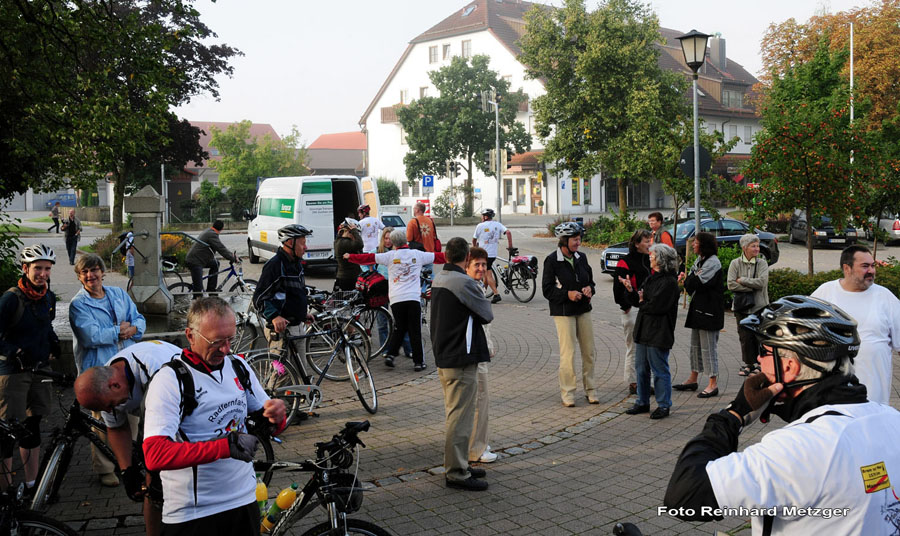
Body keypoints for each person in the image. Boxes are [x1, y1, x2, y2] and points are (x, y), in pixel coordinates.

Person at [664, 295, 900, 535]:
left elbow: (685, 499)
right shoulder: (892, 420)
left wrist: (733, 415)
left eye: (764, 351)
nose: (757, 359)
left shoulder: (801, 447)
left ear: (789, 367)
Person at [142, 297, 287, 535]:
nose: (226, 349)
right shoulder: (170, 380)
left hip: (244, 499)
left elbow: (266, 425)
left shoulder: (238, 366)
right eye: (217, 341)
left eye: (231, 339)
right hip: (194, 512)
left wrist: (277, 416)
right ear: (190, 335)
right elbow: (155, 455)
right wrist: (225, 446)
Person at [74, 340, 181, 536]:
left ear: (114, 384)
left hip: (186, 404)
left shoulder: (156, 369)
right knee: (152, 487)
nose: (108, 411)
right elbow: (116, 427)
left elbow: (179, 424)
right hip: (153, 410)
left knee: (173, 477)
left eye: (108, 405)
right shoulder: (107, 384)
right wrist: (127, 471)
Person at [69, 253, 146, 487]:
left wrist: (133, 329)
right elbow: (90, 336)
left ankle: (129, 463)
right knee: (103, 421)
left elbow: (139, 319)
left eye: (95, 270)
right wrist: (119, 331)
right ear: (80, 277)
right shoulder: (78, 304)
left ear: (103, 272)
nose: (91, 275)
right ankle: (105, 468)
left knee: (131, 419)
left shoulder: (119, 294)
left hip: (126, 367)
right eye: (85, 272)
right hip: (99, 369)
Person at [431, 237, 493, 491]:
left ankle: (460, 465)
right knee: (460, 418)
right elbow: (487, 313)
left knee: (456, 414)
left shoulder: (439, 278)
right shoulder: (463, 282)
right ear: (466, 257)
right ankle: (456, 472)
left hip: (446, 354)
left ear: (446, 255)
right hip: (460, 357)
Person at [0, 245, 60, 492]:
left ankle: (32, 484)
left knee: (32, 427)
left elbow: (46, 327)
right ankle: (5, 489)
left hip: (38, 371)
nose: (43, 274)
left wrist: (53, 345)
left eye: (47, 269)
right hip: (12, 373)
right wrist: (14, 351)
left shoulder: (48, 296)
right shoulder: (10, 299)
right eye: (38, 268)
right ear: (25, 269)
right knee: (6, 432)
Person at [344, 229, 445, 372]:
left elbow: (368, 258)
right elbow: (439, 257)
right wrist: (461, 256)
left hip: (397, 299)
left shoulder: (389, 256)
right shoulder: (418, 255)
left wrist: (350, 257)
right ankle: (418, 362)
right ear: (406, 241)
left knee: (400, 327)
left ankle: (391, 354)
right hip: (413, 298)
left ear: (393, 242)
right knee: (414, 330)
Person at [811, 244, 900, 405]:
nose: (872, 271)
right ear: (847, 268)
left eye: (873, 266)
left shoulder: (885, 297)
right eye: (865, 266)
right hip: (832, 400)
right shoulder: (825, 294)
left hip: (874, 401)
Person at [620, 243, 680, 419]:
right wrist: (631, 291)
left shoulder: (669, 282)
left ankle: (664, 405)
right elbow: (640, 301)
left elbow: (655, 306)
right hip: (644, 330)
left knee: (659, 370)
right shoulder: (652, 278)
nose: (650, 257)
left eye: (652, 255)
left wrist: (642, 301)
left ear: (661, 259)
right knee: (641, 368)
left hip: (659, 332)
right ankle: (642, 401)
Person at [542, 222, 598, 407]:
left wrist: (590, 288)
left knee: (589, 352)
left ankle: (591, 389)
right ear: (564, 241)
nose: (578, 242)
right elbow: (547, 290)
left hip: (583, 310)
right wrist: (567, 294)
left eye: (579, 238)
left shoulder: (581, 257)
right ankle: (568, 392)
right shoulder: (552, 261)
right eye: (575, 239)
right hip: (564, 312)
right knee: (569, 353)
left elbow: (591, 281)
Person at [253, 224, 314, 375]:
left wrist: (302, 313)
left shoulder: (296, 263)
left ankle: (297, 399)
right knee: (280, 374)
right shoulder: (275, 265)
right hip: (281, 331)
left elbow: (294, 293)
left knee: (301, 373)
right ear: (290, 243)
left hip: (297, 326)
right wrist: (274, 316)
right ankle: (271, 397)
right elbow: (259, 298)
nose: (306, 247)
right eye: (303, 242)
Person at [674, 232, 724, 398]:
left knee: (708, 348)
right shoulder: (700, 260)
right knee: (695, 346)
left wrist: (691, 278)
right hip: (698, 310)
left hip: (710, 312)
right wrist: (691, 278)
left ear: (704, 245)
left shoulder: (713, 263)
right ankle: (693, 378)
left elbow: (693, 283)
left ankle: (712, 384)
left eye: (696, 242)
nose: (693, 245)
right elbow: (690, 281)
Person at [465, 247, 498, 464]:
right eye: (476, 264)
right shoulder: (468, 288)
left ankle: (479, 441)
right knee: (480, 400)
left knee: (479, 400)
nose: (481, 268)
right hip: (474, 354)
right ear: (466, 266)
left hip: (480, 350)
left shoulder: (475, 285)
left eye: (484, 265)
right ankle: (477, 449)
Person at [613, 229, 652, 395]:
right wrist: (626, 305)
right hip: (633, 311)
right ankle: (634, 382)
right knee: (634, 348)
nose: (650, 243)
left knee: (648, 349)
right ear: (636, 244)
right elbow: (617, 288)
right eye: (646, 241)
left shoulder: (651, 259)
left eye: (650, 240)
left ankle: (645, 382)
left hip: (648, 310)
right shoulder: (625, 261)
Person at [727, 233, 770, 377]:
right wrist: (751, 287)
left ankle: (761, 364)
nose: (757, 249)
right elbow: (731, 284)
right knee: (745, 337)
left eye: (757, 245)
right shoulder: (735, 263)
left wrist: (743, 280)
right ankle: (748, 364)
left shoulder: (762, 263)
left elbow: (762, 282)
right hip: (741, 307)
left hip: (759, 306)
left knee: (759, 337)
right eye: (754, 246)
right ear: (745, 248)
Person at [374, 227, 413, 359]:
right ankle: (385, 349)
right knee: (382, 321)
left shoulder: (400, 253)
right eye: (386, 238)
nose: (388, 241)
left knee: (401, 321)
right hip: (381, 289)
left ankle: (408, 349)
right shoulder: (378, 251)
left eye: (390, 239)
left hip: (397, 289)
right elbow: (365, 261)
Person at [184, 220, 239, 297]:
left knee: (215, 264)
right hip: (195, 262)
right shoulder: (212, 235)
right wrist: (233, 258)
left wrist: (231, 255)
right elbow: (221, 248)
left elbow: (221, 248)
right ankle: (197, 303)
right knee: (198, 291)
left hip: (199, 259)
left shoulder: (209, 231)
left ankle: (211, 289)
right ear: (222, 229)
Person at [472, 208, 513, 304]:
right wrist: (510, 246)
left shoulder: (480, 226)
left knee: (488, 274)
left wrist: (475, 249)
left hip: (484, 255)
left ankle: (496, 294)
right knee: (486, 275)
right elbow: (508, 232)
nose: (482, 218)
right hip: (493, 254)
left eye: (482, 216)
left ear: (485, 217)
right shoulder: (497, 224)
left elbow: (474, 239)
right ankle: (482, 294)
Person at [333, 218, 363, 291]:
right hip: (348, 278)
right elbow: (360, 244)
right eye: (356, 233)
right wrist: (354, 230)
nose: (356, 236)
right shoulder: (343, 243)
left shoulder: (340, 240)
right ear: (349, 231)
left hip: (346, 277)